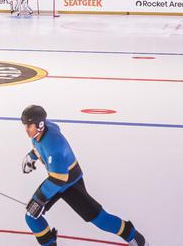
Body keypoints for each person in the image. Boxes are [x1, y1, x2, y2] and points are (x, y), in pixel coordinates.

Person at [20, 105, 146, 246]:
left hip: (70, 184)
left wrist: (40, 199)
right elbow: (43, 143)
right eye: (25, 125)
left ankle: (136, 239)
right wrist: (33, 156)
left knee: (100, 219)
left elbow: (59, 178)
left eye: (29, 126)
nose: (26, 130)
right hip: (56, 181)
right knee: (31, 216)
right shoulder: (41, 131)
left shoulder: (54, 145)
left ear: (40, 124)